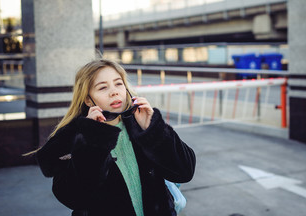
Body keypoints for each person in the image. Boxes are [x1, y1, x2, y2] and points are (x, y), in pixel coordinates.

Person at [35, 59, 196, 216]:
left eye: (118, 83)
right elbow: (74, 198)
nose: (114, 91)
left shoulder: (141, 124)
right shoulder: (74, 137)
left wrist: (154, 130)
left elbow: (185, 172)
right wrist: (94, 141)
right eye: (103, 87)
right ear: (88, 100)